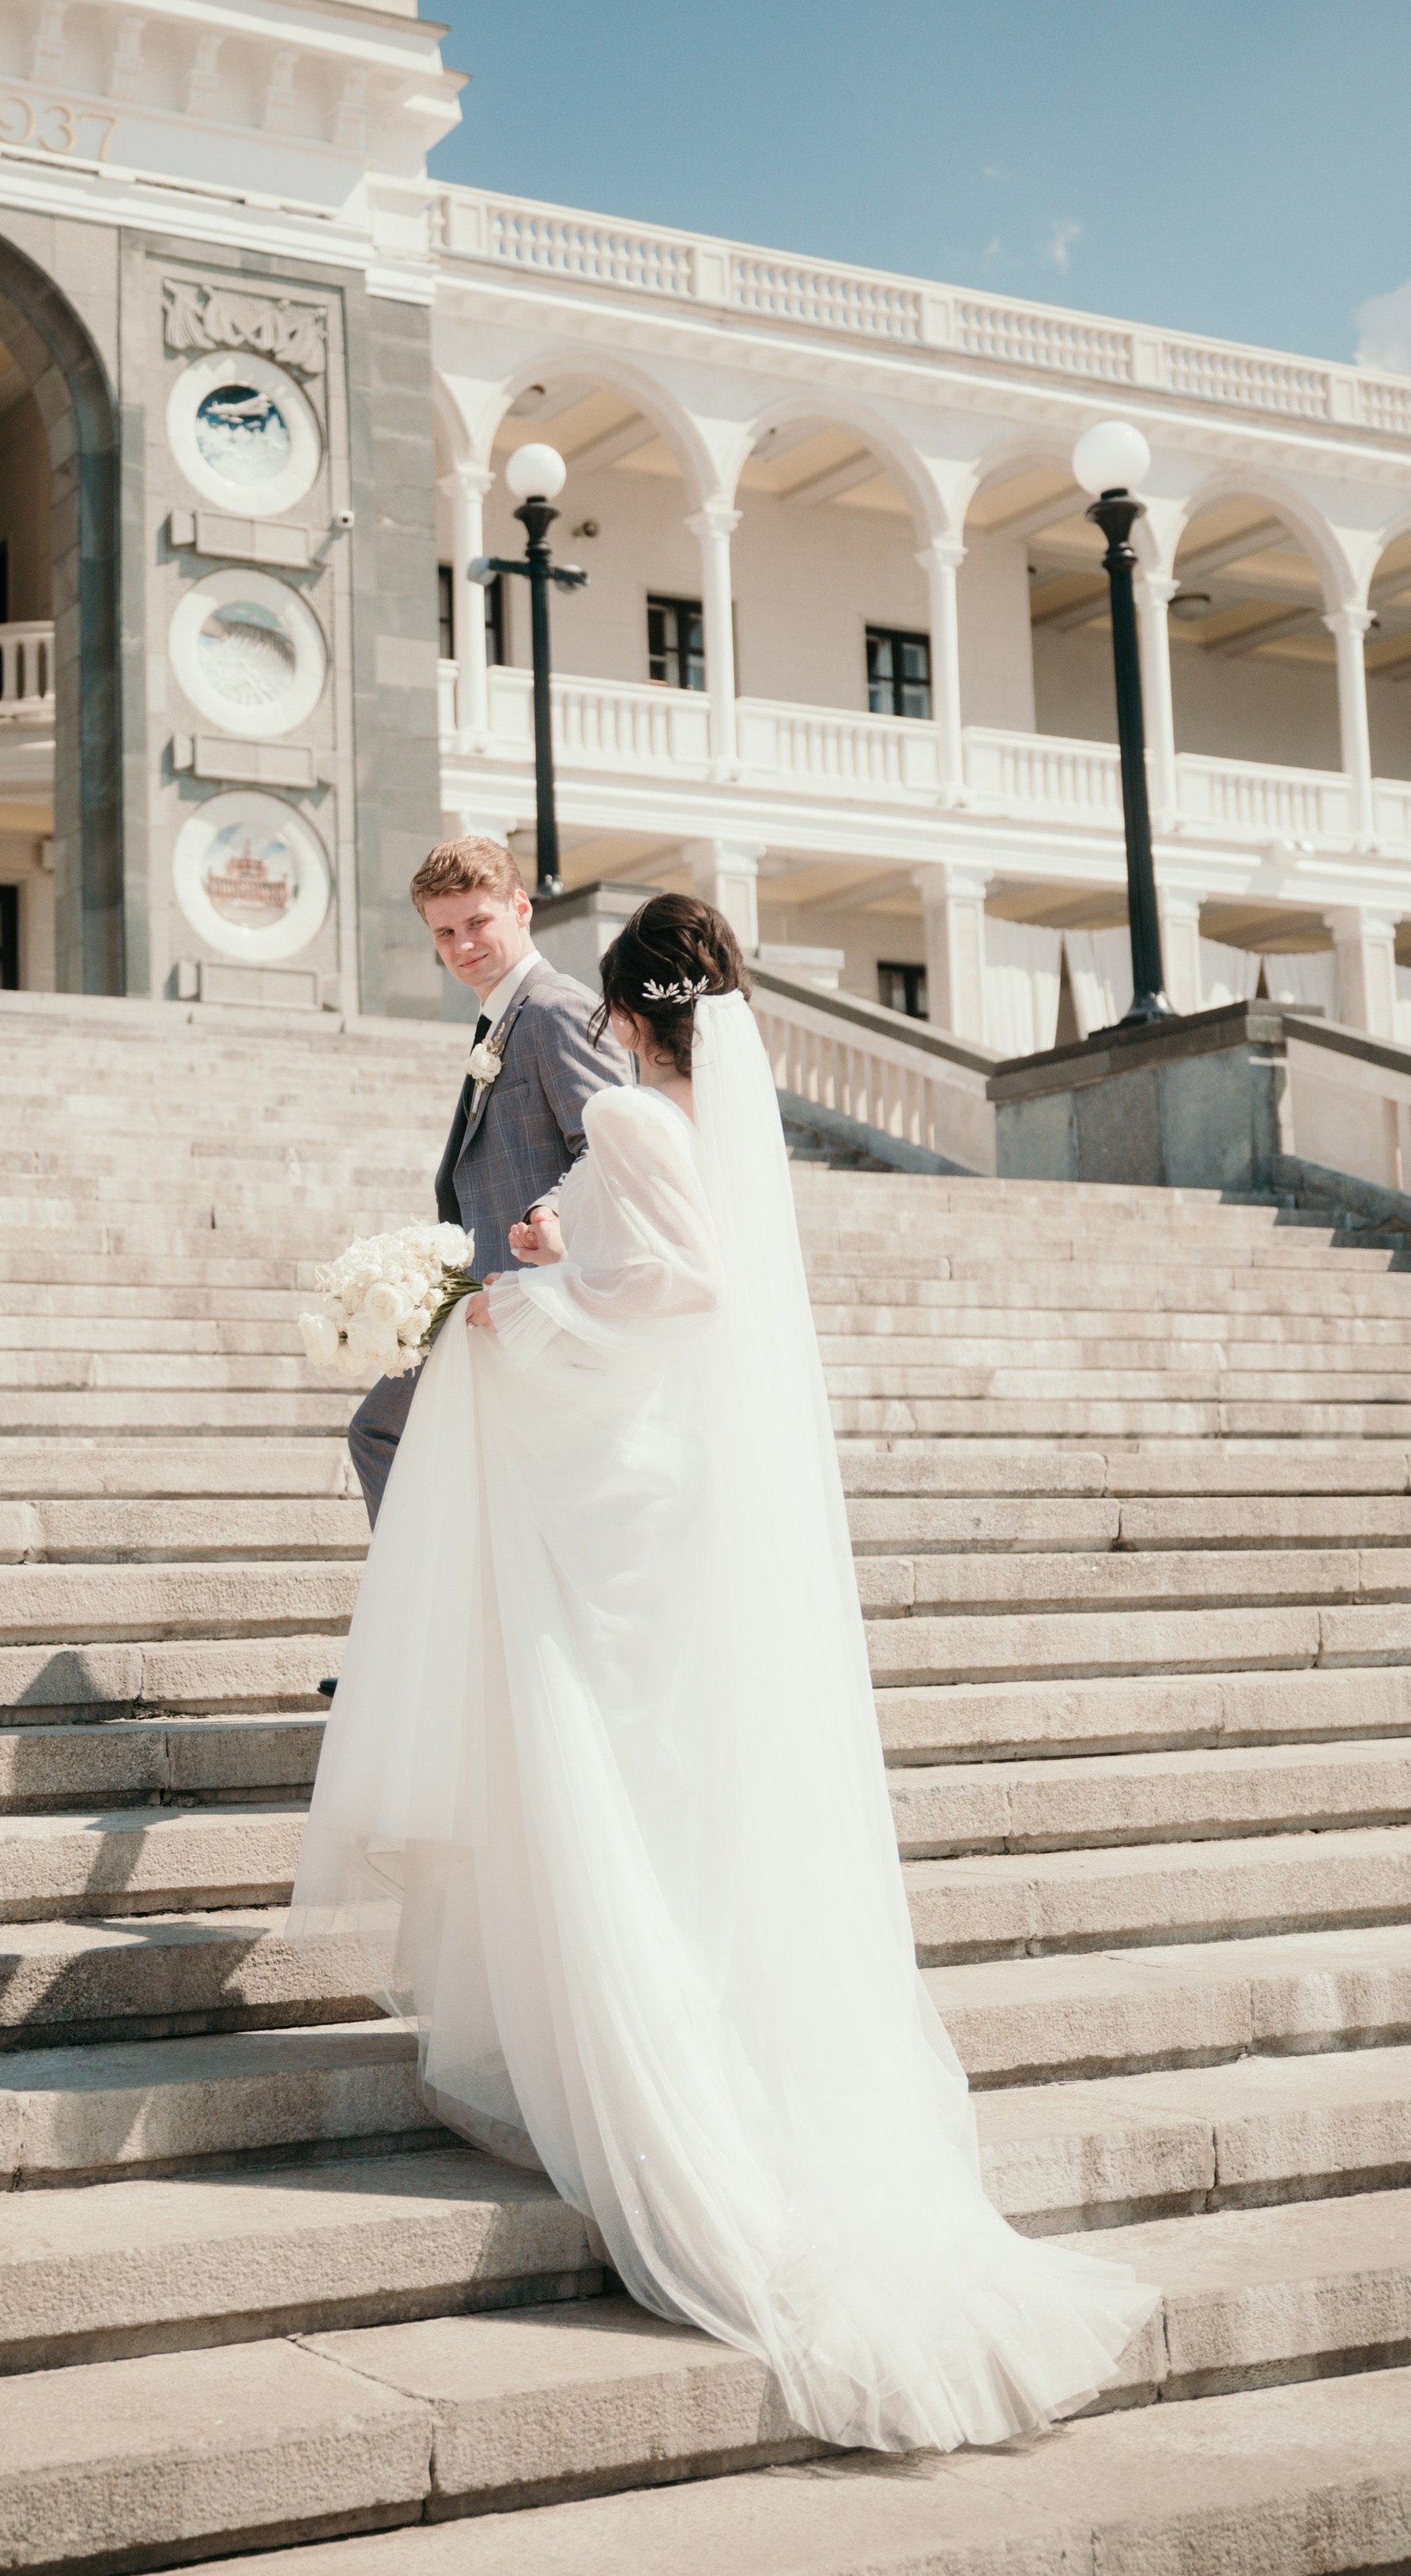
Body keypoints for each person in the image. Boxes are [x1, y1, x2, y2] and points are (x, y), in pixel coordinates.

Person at [295, 891, 1160, 2454]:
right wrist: (570, 1251)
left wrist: (516, 1293)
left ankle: (646, 2065)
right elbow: (684, 1273)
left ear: (624, 1013)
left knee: (602, 1752)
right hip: (673, 1476)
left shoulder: (631, 1115)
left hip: (615, 1482)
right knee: (665, 1771)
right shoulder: (706, 1122)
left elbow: (679, 1291)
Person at [346, 836, 628, 1529]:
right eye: (445, 932)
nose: (462, 944)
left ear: (520, 908)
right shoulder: (502, 1017)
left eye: (477, 923)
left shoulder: (555, 1008)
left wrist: (548, 1212)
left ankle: (429, 1614)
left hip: (525, 1294)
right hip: (478, 1294)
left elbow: (615, 1148)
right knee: (400, 1441)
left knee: (387, 1438)